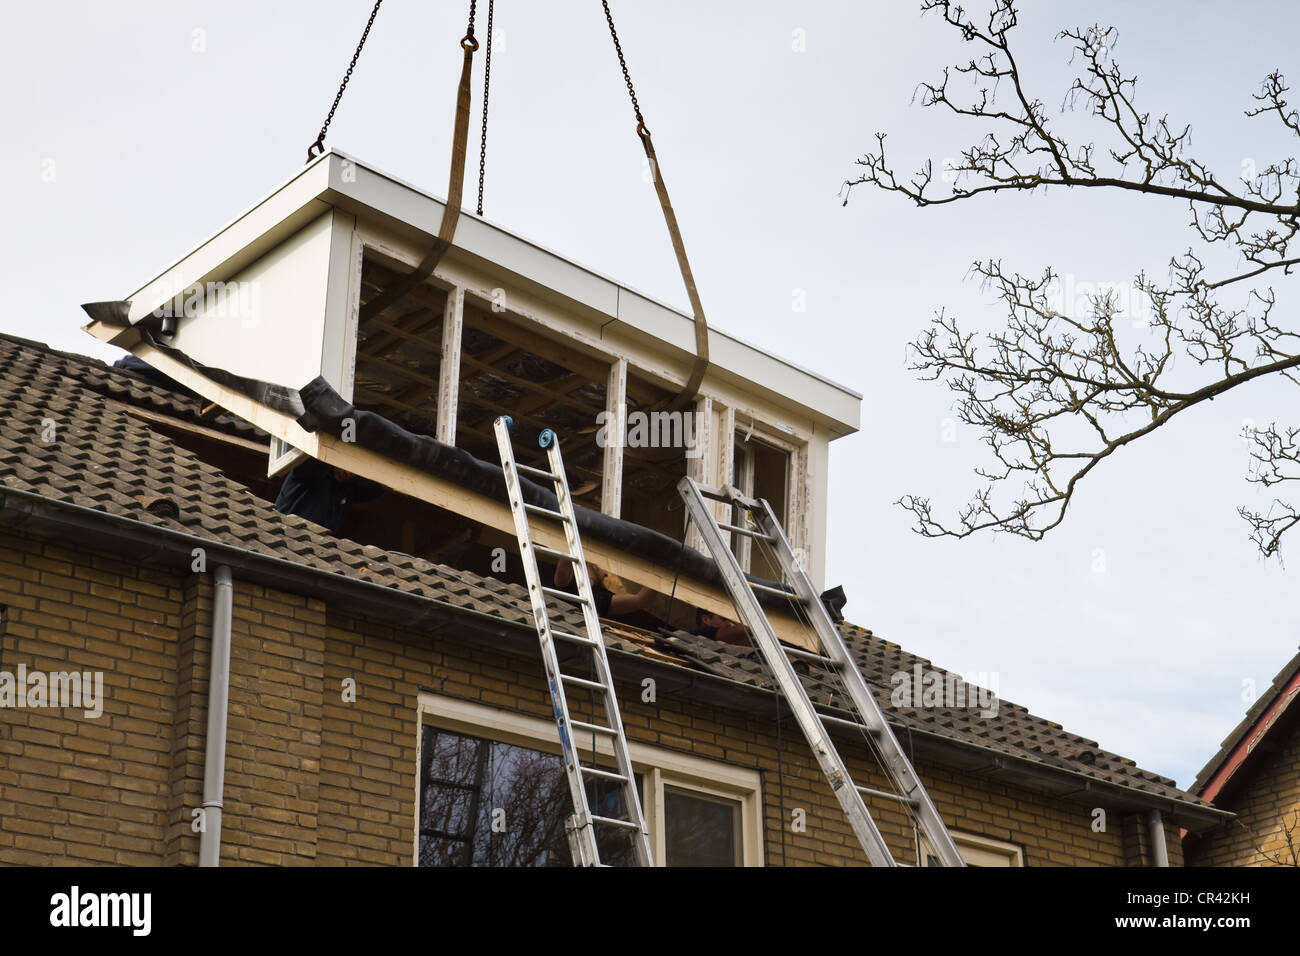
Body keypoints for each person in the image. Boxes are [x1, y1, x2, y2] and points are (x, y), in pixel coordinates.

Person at [274, 458, 386, 534]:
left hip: (316, 547)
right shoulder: (310, 472)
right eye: (346, 465)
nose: (348, 472)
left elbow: (377, 487)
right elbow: (314, 457)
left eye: (354, 470)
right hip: (284, 534)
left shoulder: (348, 489)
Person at [552, 561, 662, 618]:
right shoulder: (569, 582)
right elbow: (562, 572)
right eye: (606, 569)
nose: (605, 573)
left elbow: (639, 601)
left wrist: (661, 577)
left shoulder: (599, 597)